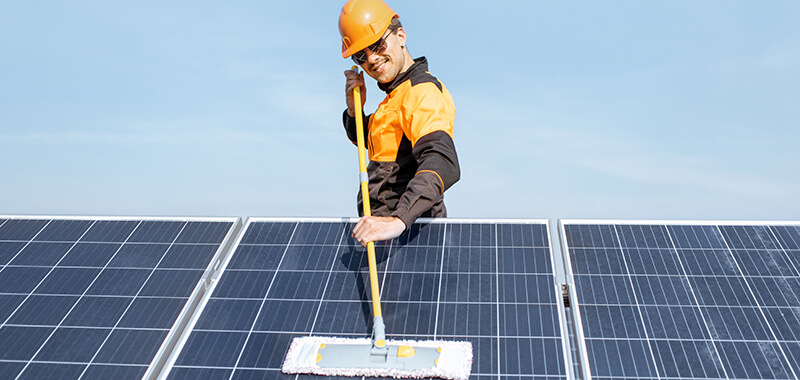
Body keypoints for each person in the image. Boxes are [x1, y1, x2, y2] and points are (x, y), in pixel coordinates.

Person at [339, 0, 460, 247]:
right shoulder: (393, 98)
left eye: (377, 44)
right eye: (362, 55)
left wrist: (397, 221)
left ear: (400, 35)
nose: (371, 59)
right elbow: (372, 143)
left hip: (415, 240)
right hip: (386, 240)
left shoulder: (422, 93)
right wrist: (355, 112)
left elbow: (441, 161)